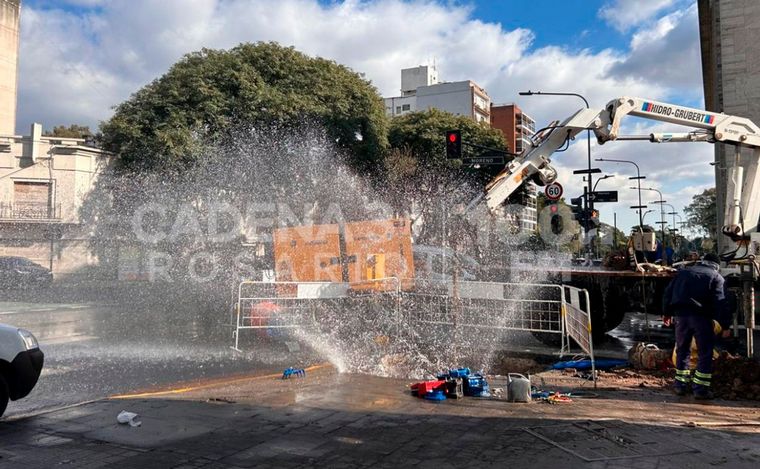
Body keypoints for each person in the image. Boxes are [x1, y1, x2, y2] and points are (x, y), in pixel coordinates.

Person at [662, 253, 730, 399]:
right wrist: (725, 325)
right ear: (717, 266)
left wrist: (666, 313)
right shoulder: (716, 277)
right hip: (701, 318)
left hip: (681, 317)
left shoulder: (683, 273)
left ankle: (680, 386)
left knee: (682, 350)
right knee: (705, 353)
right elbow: (721, 303)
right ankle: (700, 390)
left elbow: (668, 293)